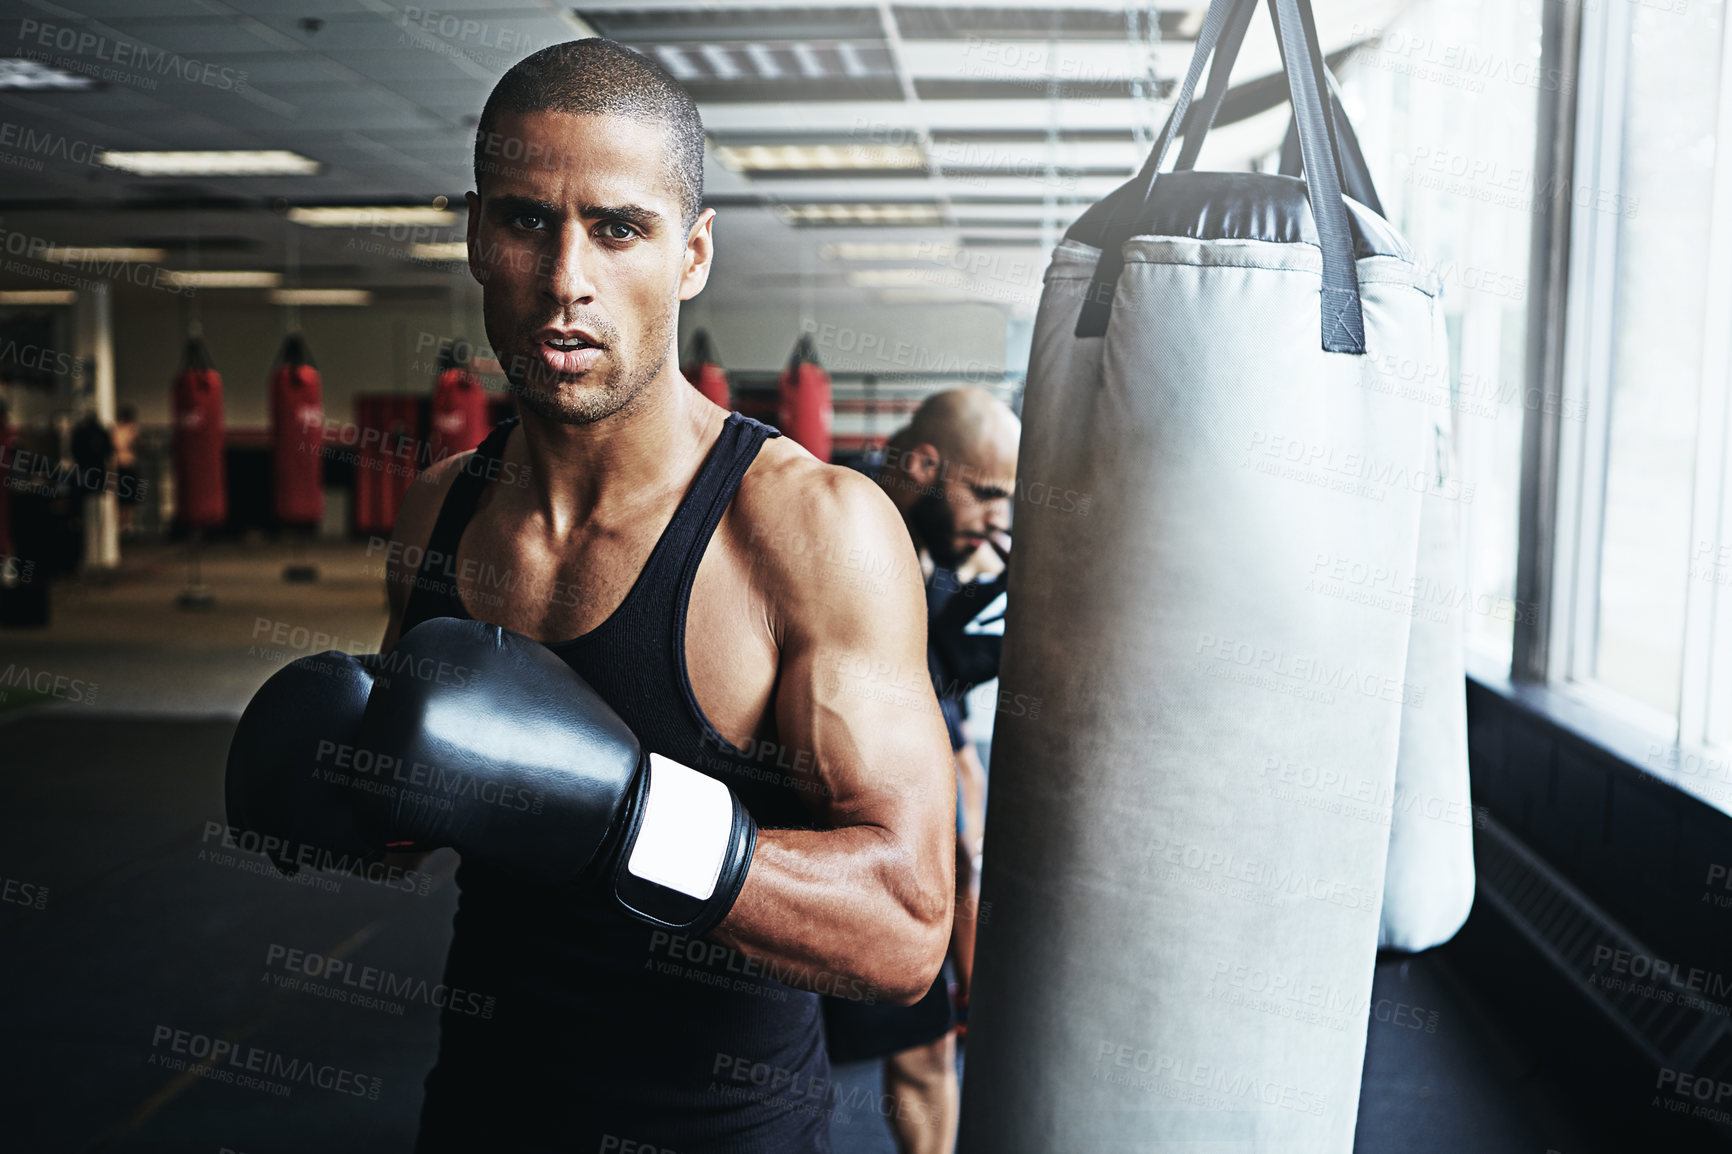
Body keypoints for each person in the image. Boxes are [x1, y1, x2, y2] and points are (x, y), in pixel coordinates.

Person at [372, 40, 956, 1150]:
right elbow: (420, 805)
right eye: (525, 221)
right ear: (474, 237)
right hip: (479, 1112)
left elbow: (904, 925)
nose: (565, 280)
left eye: (619, 227)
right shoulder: (442, 510)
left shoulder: (810, 529)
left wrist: (628, 815)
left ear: (690, 255)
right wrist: (354, 787)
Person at [817, 389, 1016, 1153]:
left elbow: (956, 761)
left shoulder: (939, 554)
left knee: (926, 1049)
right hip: (805, 834)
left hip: (891, 843)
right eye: (987, 494)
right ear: (928, 465)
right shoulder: (838, 517)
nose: (997, 520)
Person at [112, 404, 142, 535]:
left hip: (127, 464)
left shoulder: (128, 429)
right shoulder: (120, 429)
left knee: (129, 497)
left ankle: (127, 524)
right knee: (122, 498)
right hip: (122, 465)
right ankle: (122, 523)